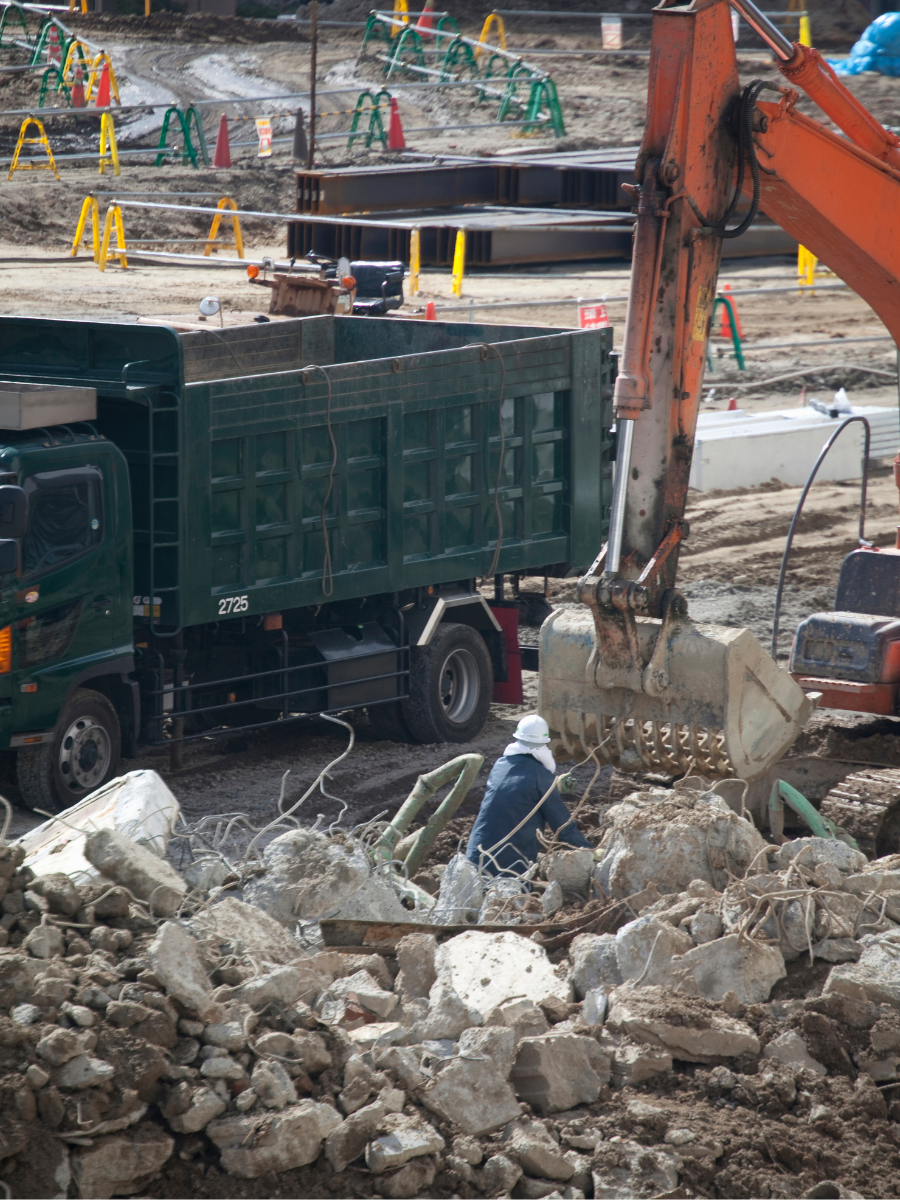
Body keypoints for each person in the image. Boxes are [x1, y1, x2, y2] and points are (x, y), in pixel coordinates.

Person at [465, 714, 590, 876]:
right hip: (510, 867)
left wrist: (552, 785)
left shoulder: (500, 765)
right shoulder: (541, 777)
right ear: (544, 744)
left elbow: (517, 788)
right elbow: (562, 826)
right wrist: (588, 851)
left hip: (476, 858)